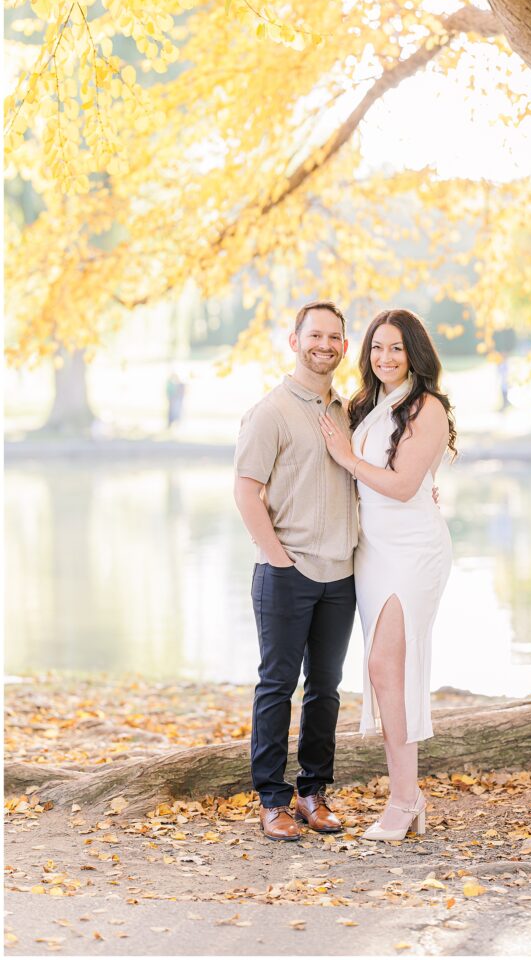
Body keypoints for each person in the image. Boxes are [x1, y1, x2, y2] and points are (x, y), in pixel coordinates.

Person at [319, 308, 456, 842]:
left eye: (396, 347)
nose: (385, 357)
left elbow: (400, 486)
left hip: (413, 550)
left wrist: (345, 456)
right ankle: (407, 796)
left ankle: (404, 800)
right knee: (383, 672)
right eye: (376, 347)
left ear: (415, 352)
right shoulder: (370, 407)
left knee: (388, 666)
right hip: (372, 550)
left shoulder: (428, 407)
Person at [233, 302, 357, 843]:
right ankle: (273, 800)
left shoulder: (348, 412)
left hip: (342, 575)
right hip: (286, 572)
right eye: (315, 335)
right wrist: (278, 558)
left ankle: (312, 792)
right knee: (277, 686)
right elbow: (245, 490)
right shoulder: (271, 411)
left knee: (326, 688)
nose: (324, 345)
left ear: (344, 347)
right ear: (294, 341)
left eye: (334, 337)